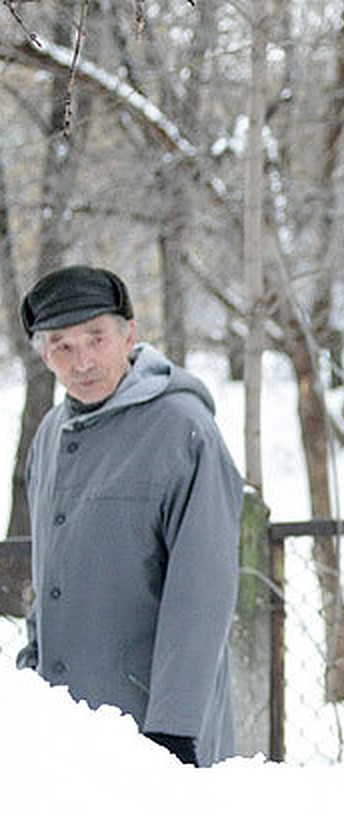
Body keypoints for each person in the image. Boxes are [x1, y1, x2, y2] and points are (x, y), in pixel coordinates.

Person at [14, 265, 243, 767]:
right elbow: (50, 571)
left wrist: (174, 730)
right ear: (44, 355)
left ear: (129, 334)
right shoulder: (50, 435)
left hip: (151, 731)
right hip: (67, 725)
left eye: (95, 338)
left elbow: (201, 595)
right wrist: (32, 671)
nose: (82, 361)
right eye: (62, 346)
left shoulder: (184, 430)